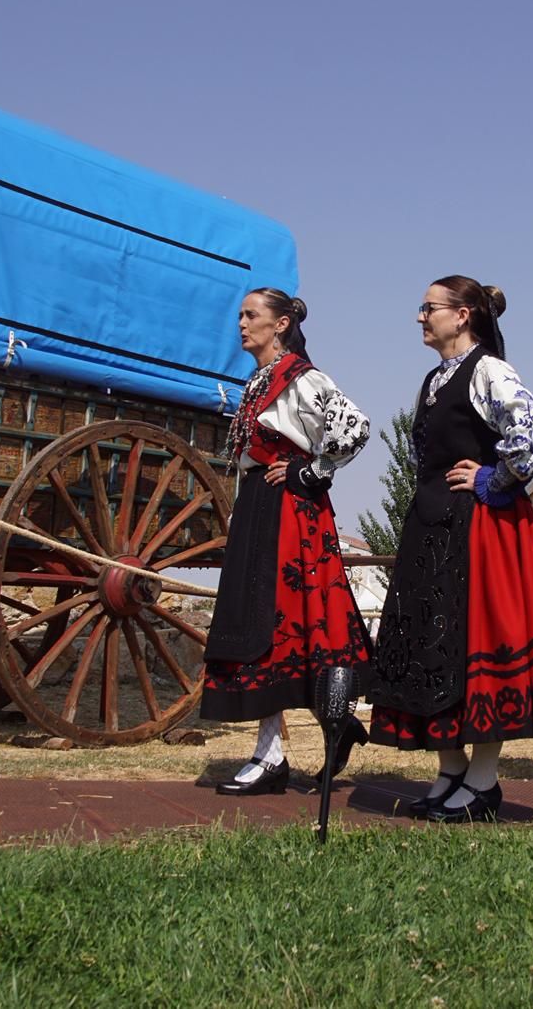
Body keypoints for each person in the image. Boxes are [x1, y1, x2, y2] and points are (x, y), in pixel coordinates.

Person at [366, 275, 533, 822]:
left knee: (476, 646)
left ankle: (483, 783)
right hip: (433, 526)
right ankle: (451, 770)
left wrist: (495, 478)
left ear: (463, 315)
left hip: (478, 528)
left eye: (428, 307)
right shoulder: (435, 378)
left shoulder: (488, 370)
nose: (420, 316)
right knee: (432, 647)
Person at [201, 289, 373, 795]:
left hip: (290, 512)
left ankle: (277, 752)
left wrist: (310, 472)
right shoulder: (259, 380)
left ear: (279, 325)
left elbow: (355, 427)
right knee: (261, 621)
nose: (241, 323)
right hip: (259, 506)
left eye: (251, 315)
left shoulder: (300, 376)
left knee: (282, 622)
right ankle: (297, 742)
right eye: (239, 315)